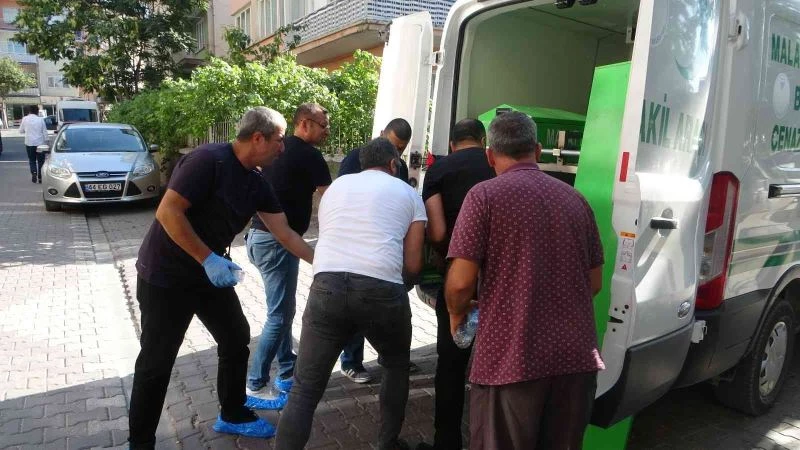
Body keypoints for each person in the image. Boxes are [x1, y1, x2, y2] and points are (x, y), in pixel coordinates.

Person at [128, 107, 315, 448]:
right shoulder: (207, 161)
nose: (283, 147)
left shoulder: (256, 182)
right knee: (157, 362)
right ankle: (141, 442)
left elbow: (285, 233)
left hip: (208, 276)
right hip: (166, 276)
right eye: (279, 139)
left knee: (235, 336)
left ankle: (232, 412)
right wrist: (207, 258)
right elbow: (168, 212)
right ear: (257, 138)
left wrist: (325, 262)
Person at [445, 111, 605, 449]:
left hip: (511, 360)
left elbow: (459, 284)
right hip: (575, 361)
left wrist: (457, 314)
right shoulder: (576, 200)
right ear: (537, 150)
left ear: (490, 155)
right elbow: (594, 283)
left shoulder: (484, 197)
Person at [275, 137, 427, 450]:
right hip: (381, 289)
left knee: (305, 389)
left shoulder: (335, 189)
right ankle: (388, 443)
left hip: (327, 286)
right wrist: (402, 285)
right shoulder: (409, 194)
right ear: (393, 164)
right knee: (395, 365)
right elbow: (413, 263)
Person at [244, 103, 332, 409]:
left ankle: (286, 369)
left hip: (259, 239)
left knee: (280, 310)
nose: (327, 131)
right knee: (280, 315)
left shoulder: (274, 151)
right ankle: (255, 384)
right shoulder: (309, 155)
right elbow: (332, 198)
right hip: (277, 243)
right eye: (323, 125)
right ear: (305, 123)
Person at [415, 119, 494, 450]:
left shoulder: (439, 170)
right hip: (499, 276)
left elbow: (436, 231)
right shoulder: (495, 165)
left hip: (458, 273)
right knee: (496, 357)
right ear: (483, 140)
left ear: (452, 144)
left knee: (450, 362)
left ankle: (446, 442)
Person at [337, 118, 414, 383]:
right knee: (357, 304)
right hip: (357, 244)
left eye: (402, 148)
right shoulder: (355, 159)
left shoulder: (399, 166)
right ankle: (351, 361)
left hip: (387, 245)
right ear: (381, 134)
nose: (398, 152)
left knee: (388, 308)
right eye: (395, 145)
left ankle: (389, 355)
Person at [19, 105, 48, 183]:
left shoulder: (25, 119)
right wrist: (47, 142)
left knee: (32, 160)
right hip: (40, 143)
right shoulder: (40, 119)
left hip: (29, 143)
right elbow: (45, 132)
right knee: (41, 161)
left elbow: (21, 131)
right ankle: (40, 177)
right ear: (37, 111)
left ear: (29, 111)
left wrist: (27, 130)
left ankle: (34, 173)